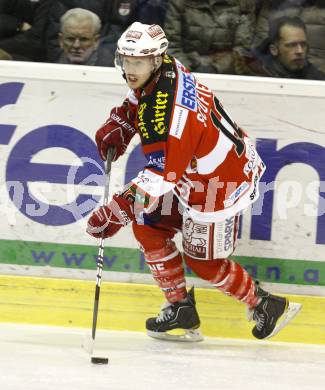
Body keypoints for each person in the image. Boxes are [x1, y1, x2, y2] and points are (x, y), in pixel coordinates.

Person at [86, 22, 302, 341]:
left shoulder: (167, 117)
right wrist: (122, 120)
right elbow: (139, 97)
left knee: (204, 263)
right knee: (148, 226)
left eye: (138, 62)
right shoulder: (168, 68)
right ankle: (181, 308)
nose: (130, 70)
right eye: (126, 61)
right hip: (198, 170)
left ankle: (267, 305)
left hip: (219, 184)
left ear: (156, 60)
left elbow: (161, 175)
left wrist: (117, 211)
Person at [163, 0, 256, 74]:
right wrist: (188, 70)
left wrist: (215, 68)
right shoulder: (179, 2)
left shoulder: (243, 4)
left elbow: (241, 49)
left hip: (226, 75)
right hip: (185, 70)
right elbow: (171, 45)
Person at [235, 16, 325, 80]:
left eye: (303, 44)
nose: (300, 51)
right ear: (274, 50)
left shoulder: (314, 77)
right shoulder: (257, 76)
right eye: (292, 45)